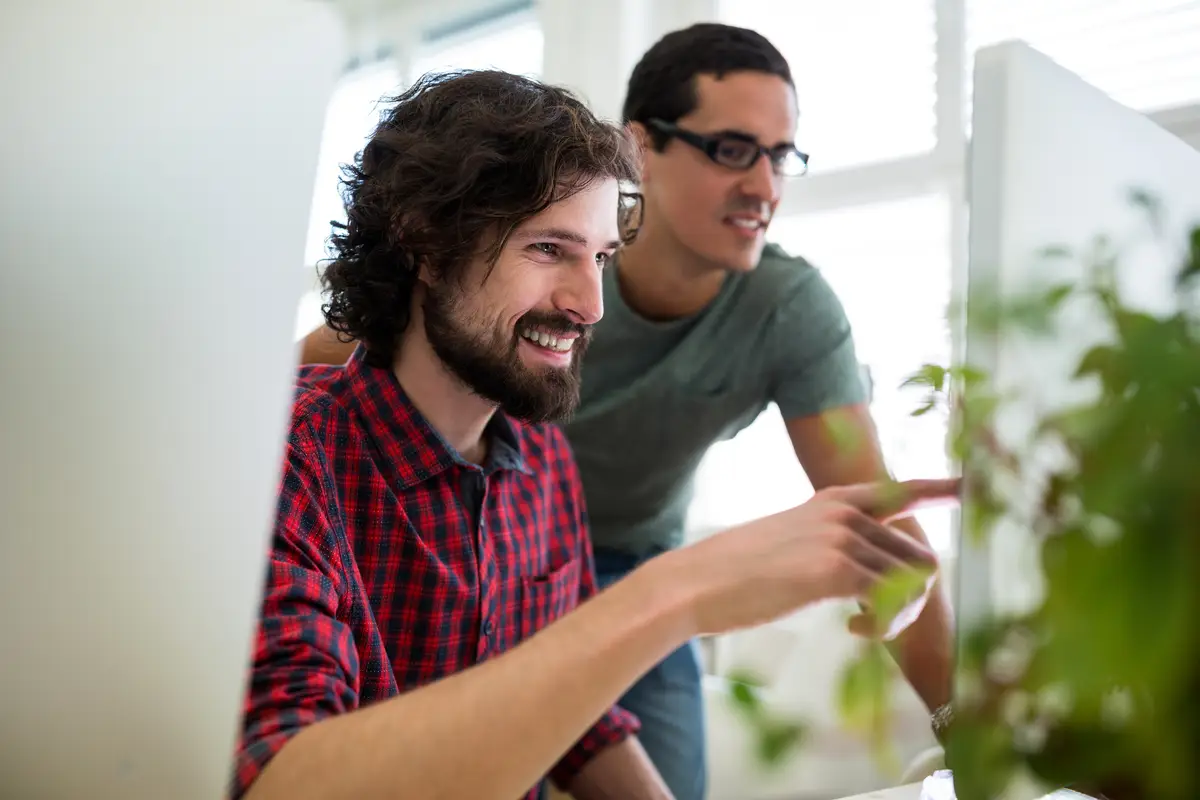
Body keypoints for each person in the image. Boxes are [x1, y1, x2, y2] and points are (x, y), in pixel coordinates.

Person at [296, 29, 957, 799]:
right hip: (547, 552)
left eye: (780, 157)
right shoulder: (316, 445)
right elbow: (354, 341)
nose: (765, 187)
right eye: (735, 149)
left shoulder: (778, 316)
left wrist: (965, 724)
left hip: (580, 549)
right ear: (644, 147)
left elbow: (869, 501)